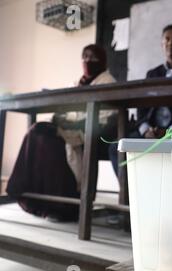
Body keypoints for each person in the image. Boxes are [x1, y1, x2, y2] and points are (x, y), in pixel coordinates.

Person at [6, 44, 117, 222]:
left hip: (85, 135)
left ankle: (64, 207)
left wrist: (72, 125)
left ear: (102, 60)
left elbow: (105, 119)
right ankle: (28, 195)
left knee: (49, 143)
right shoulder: (76, 83)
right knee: (37, 132)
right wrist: (61, 122)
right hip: (66, 130)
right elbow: (62, 110)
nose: (88, 61)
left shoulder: (108, 82)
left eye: (93, 57)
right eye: (85, 56)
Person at [109, 24, 172, 175]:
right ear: (162, 44)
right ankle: (131, 196)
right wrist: (145, 130)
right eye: (166, 39)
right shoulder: (153, 73)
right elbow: (141, 105)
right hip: (152, 131)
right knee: (116, 147)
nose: (170, 43)